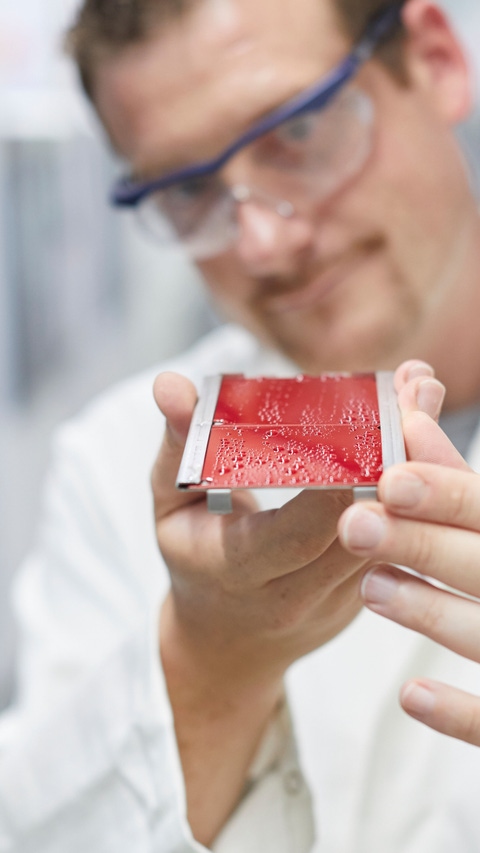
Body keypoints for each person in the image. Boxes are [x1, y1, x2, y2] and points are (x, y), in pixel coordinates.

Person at [2, 0, 480, 850]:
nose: (260, 242)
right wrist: (207, 662)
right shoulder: (114, 463)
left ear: (437, 60)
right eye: (190, 191)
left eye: (296, 133)